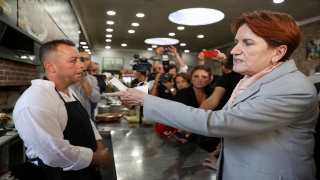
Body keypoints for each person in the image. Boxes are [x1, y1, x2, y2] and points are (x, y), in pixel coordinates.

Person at [106, 10, 319, 179]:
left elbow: (223, 122)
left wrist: (145, 100)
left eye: (248, 43)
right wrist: (224, 159)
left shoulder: (293, 88)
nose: (234, 51)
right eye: (237, 42)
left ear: (278, 52)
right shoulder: (251, 80)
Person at [13, 39, 112, 179]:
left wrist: (100, 147)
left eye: (81, 59)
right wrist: (99, 159)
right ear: (50, 66)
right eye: (73, 61)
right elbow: (56, 154)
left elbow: (86, 121)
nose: (82, 65)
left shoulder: (69, 91)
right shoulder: (35, 101)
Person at [70, 48, 100, 118]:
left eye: (86, 59)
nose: (83, 62)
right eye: (81, 58)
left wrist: (83, 82)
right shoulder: (66, 77)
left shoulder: (92, 79)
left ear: (90, 62)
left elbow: (96, 99)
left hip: (86, 118)